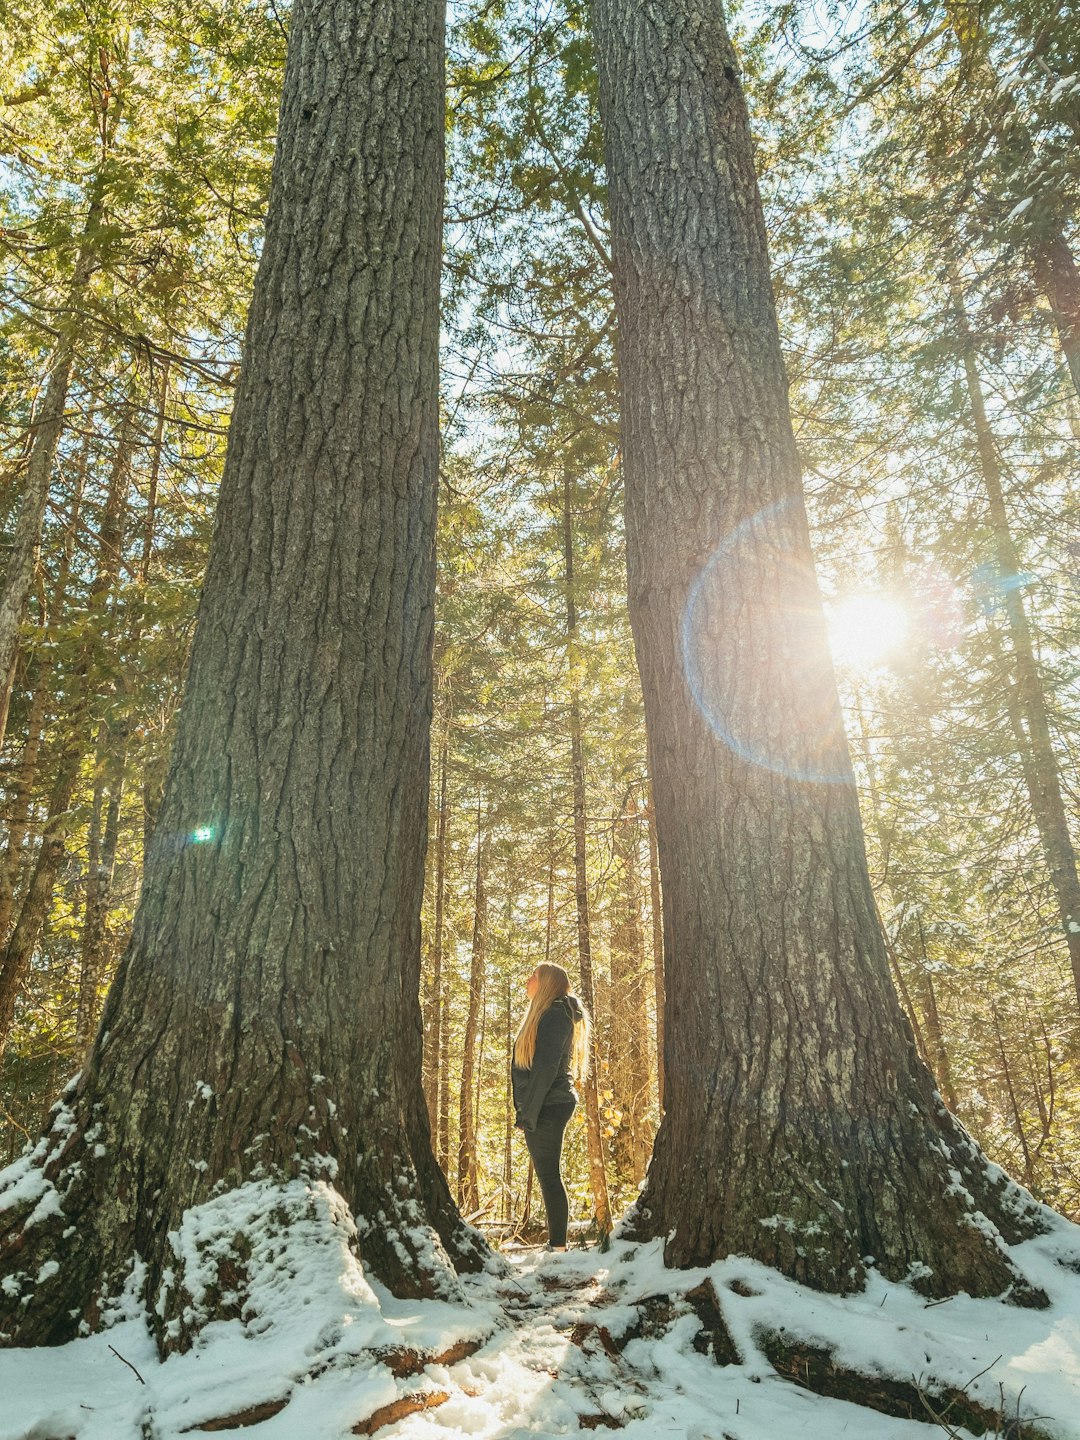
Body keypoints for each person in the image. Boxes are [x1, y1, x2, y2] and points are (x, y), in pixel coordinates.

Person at [511, 961, 590, 1252]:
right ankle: (557, 1243)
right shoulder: (550, 1014)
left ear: (545, 984)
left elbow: (545, 1069)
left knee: (548, 1175)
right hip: (547, 1104)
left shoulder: (555, 1015)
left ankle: (558, 1245)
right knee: (548, 1174)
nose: (527, 981)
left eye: (533, 976)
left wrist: (527, 1115)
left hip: (549, 1105)